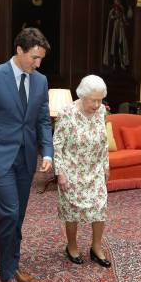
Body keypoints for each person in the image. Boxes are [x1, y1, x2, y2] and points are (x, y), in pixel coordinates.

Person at [0, 28, 53, 282]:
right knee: (8, 215)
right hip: (0, 159)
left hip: (27, 159)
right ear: (19, 50)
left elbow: (42, 120)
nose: (37, 63)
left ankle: (14, 265)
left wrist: (48, 153)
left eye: (41, 58)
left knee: (18, 216)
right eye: (34, 57)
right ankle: (6, 276)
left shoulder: (40, 81)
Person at [53, 75, 111, 268]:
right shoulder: (67, 113)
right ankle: (72, 246)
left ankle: (96, 247)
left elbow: (103, 142)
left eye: (100, 100)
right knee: (72, 211)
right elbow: (58, 145)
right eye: (93, 100)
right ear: (82, 95)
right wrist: (60, 172)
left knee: (99, 208)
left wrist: (105, 165)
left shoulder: (102, 111)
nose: (97, 105)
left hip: (94, 170)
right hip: (72, 170)